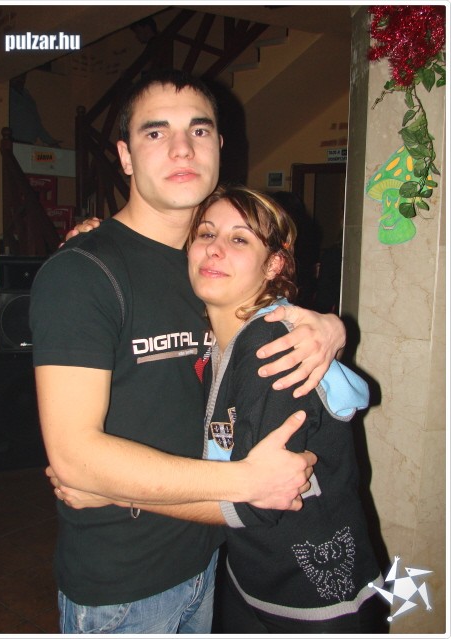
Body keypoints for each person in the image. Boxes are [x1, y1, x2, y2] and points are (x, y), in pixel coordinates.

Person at [30, 69, 345, 634]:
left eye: (199, 131)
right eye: (155, 132)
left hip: (212, 561)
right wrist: (245, 482)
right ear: (125, 156)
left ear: (220, 146)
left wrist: (333, 327)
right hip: (125, 590)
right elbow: (75, 457)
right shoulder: (82, 272)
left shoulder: (212, 265)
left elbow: (272, 314)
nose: (182, 148)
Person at [56, 185, 383, 632]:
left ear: (274, 264)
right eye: (206, 234)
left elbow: (257, 502)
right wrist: (102, 239)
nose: (215, 249)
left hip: (315, 602)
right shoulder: (217, 337)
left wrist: (111, 492)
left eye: (239, 239)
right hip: (252, 581)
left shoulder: (273, 350)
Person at [9, 73, 61, 146]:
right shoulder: (7, 94)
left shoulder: (28, 96)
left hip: (29, 143)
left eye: (23, 77)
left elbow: (36, 122)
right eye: (18, 77)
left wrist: (51, 141)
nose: (21, 79)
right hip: (14, 142)